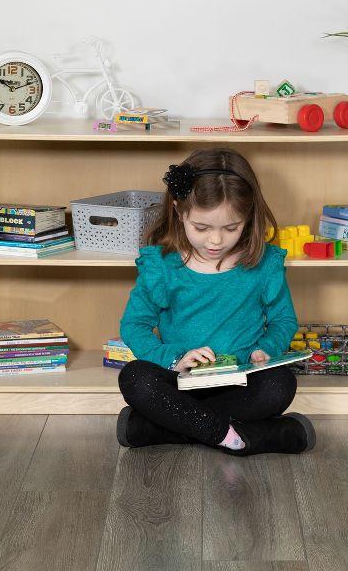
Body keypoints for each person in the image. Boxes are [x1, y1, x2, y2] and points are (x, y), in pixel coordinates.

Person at [116, 148, 316, 455]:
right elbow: (134, 325)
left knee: (281, 384)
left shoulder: (263, 264)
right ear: (178, 212)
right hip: (180, 383)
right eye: (201, 228)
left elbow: (282, 321)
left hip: (240, 385)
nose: (216, 241)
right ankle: (244, 435)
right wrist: (174, 358)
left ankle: (160, 428)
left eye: (231, 228)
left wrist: (267, 350)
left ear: (248, 218)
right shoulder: (163, 266)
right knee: (134, 378)